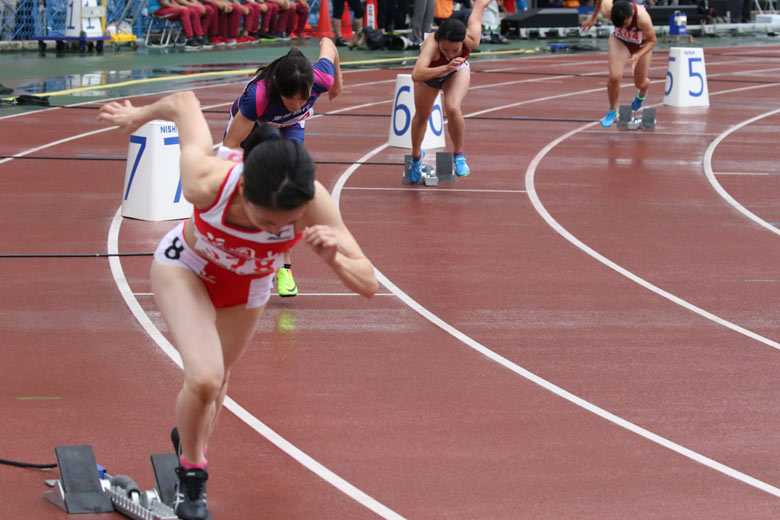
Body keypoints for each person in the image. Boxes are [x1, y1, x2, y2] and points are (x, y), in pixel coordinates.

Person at [97, 91, 377, 520]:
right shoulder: (207, 179)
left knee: (216, 385)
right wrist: (139, 115)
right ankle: (193, 479)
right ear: (243, 184)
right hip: (186, 269)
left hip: (245, 290)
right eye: (266, 221)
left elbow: (369, 283)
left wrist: (334, 257)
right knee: (205, 379)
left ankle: (188, 440)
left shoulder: (312, 201)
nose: (276, 230)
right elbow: (186, 103)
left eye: (286, 224)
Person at [223, 40, 343, 296]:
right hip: (254, 127)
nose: (298, 104)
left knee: (287, 190)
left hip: (291, 128)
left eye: (304, 99)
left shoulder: (322, 79)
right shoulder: (258, 97)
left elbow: (329, 45)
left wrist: (338, 83)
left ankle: (284, 268)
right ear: (279, 88)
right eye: (291, 100)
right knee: (241, 187)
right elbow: (230, 147)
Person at [408, 0, 492, 183]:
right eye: (445, 49)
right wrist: (445, 67)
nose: (450, 53)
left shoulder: (472, 40)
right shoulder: (431, 44)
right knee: (422, 116)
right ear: (439, 41)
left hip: (456, 72)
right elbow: (416, 74)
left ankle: (459, 156)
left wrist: (482, 3)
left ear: (463, 41)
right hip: (430, 75)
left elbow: (478, 8)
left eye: (455, 50)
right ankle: (415, 159)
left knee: (453, 108)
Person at [581, 0, 657, 127]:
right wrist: (593, 18)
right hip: (620, 40)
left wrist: (638, 55)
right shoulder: (607, 11)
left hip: (641, 45)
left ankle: (642, 93)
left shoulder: (643, 18)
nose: (624, 27)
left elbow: (652, 41)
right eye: (620, 26)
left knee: (640, 83)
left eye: (625, 24)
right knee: (614, 76)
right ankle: (613, 111)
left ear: (631, 15)